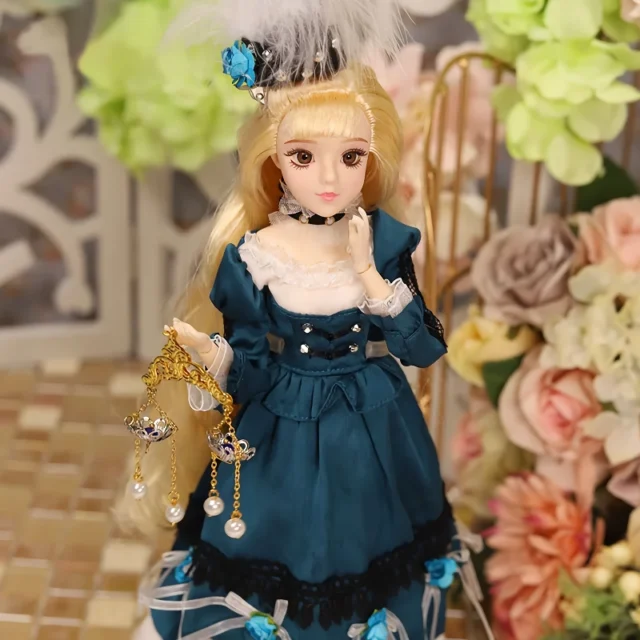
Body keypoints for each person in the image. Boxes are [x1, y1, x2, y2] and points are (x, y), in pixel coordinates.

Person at [121, 2, 469, 638]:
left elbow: (421, 348)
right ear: (274, 159)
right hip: (281, 424)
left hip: (373, 421)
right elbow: (251, 365)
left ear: (372, 157)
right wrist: (215, 359)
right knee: (269, 537)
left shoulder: (384, 242)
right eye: (304, 157)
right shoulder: (257, 256)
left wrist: (370, 276)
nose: (330, 178)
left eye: (351, 157)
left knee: (371, 541)